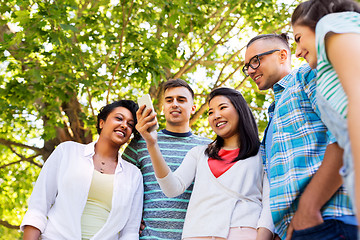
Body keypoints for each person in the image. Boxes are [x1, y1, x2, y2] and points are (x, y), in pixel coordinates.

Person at [243, 33, 357, 240]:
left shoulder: (307, 75)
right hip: (299, 228)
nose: (250, 70)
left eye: (255, 61)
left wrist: (309, 206)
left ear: (282, 55)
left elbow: (348, 133)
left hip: (329, 219)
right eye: (247, 66)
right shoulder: (274, 114)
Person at [137, 87, 274, 240]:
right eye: (210, 112)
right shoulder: (199, 153)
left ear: (240, 110)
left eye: (222, 107)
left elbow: (270, 203)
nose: (216, 115)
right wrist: (152, 144)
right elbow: (171, 188)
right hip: (196, 234)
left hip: (243, 232)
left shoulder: (262, 154)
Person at [20, 100, 143, 240]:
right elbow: (38, 206)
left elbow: (130, 232)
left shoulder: (133, 175)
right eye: (119, 118)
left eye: (130, 124)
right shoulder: (67, 151)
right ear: (101, 123)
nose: (124, 125)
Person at [291, 0, 360, 223]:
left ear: (316, 21)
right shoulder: (325, 76)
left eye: (299, 38)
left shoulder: (330, 24)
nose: (298, 52)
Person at [122, 79, 211, 239]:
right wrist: (129, 219)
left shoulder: (208, 147)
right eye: (169, 100)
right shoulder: (141, 142)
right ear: (163, 108)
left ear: (193, 108)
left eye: (181, 100)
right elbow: (120, 184)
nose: (174, 104)